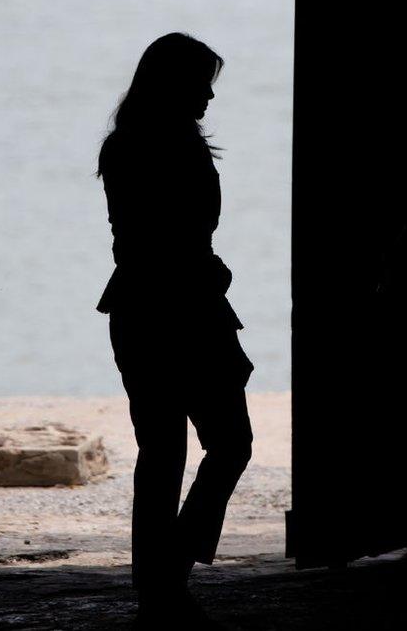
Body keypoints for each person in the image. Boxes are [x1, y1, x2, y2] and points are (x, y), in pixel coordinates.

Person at [95, 32, 254, 625]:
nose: (210, 97)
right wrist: (207, 269)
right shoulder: (171, 148)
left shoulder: (127, 146)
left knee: (163, 452)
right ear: (175, 85)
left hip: (144, 309)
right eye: (201, 84)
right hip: (183, 307)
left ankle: (160, 581)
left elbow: (142, 235)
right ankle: (170, 572)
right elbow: (169, 236)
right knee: (226, 443)